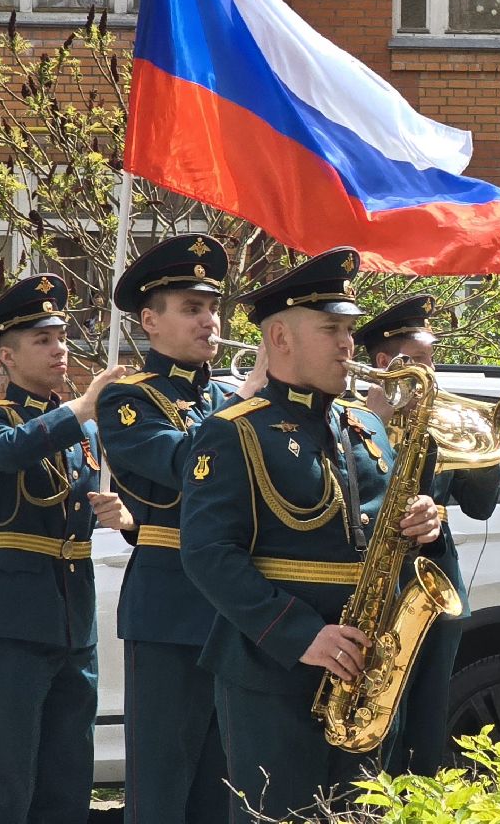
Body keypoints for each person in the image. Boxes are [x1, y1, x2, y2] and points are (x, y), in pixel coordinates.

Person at [180, 248, 443, 821]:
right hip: (273, 667)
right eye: (331, 329)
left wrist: (423, 521)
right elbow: (207, 554)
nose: (348, 344)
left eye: (350, 329)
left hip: (370, 667)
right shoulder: (233, 431)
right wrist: (302, 635)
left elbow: (382, 529)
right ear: (280, 338)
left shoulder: (366, 426)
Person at [98, 234, 264, 823]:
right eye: (192, 309)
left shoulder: (224, 396)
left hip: (234, 606)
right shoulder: (127, 397)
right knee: (163, 783)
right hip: (170, 604)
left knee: (226, 788)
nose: (210, 321)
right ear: (150, 321)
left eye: (213, 308)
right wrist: (250, 394)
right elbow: (181, 466)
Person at [0, 274, 130, 824]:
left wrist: (122, 517)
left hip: (73, 615)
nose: (59, 350)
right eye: (42, 341)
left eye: (60, 339)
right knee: (11, 770)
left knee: (70, 766)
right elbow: (9, 454)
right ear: (6, 356)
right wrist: (80, 408)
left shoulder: (85, 432)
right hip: (13, 614)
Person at [353, 294, 498, 773]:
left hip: (436, 572)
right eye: (420, 363)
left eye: (432, 363)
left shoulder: (438, 423)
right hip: (375, 578)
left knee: (431, 706)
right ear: (385, 363)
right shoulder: (354, 421)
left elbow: (479, 508)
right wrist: (382, 422)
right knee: (379, 706)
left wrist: (483, 441)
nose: (430, 375)